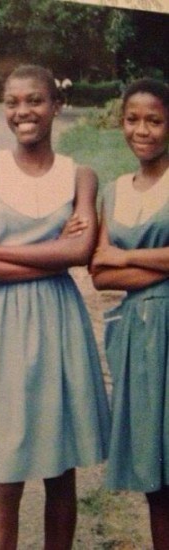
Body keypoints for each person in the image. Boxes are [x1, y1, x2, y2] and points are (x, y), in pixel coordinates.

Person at [0, 64, 110, 549]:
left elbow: (80, 254)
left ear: (56, 105)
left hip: (60, 322)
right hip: (3, 326)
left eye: (35, 100)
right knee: (3, 478)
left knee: (61, 474)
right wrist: (50, 256)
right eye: (13, 102)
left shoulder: (80, 176)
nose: (24, 112)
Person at [91, 78, 169, 549]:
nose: (143, 130)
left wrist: (123, 256)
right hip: (138, 339)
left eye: (155, 120)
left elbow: (110, 260)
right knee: (154, 473)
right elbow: (100, 273)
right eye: (133, 119)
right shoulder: (114, 191)